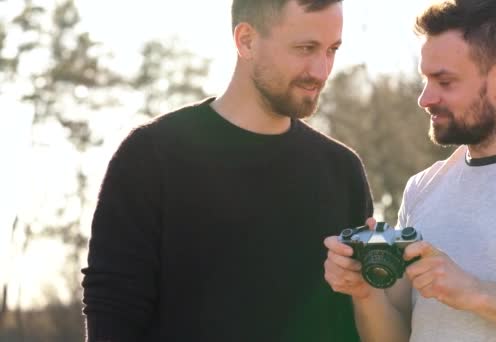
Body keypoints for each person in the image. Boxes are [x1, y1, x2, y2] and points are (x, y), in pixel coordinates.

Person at [81, 0, 373, 341]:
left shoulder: (343, 171)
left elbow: (355, 318)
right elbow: (113, 309)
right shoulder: (151, 156)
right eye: (305, 48)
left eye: (331, 50)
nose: (321, 70)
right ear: (246, 40)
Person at [324, 0, 496, 341]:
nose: (425, 98)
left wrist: (476, 294)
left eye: (444, 81)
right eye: (426, 79)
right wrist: (364, 291)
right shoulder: (421, 188)